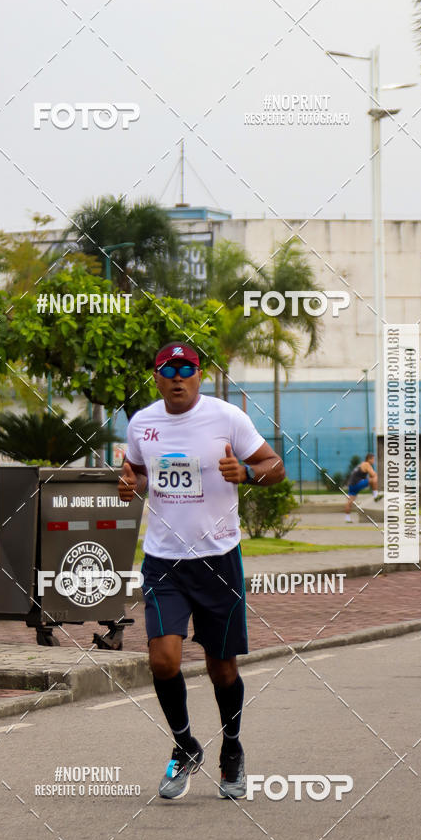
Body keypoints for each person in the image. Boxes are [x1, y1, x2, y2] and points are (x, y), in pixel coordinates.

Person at [118, 341, 284, 800]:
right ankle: (185, 745)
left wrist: (246, 474)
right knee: (162, 659)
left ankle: (231, 747)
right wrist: (131, 486)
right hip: (163, 561)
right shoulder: (142, 424)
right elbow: (137, 474)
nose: (176, 376)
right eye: (167, 369)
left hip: (218, 562)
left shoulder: (227, 418)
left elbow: (275, 466)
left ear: (199, 375)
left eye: (185, 368)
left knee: (221, 669)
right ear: (156, 377)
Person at [344, 453, 382, 522]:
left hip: (351, 485)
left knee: (350, 501)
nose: (374, 461)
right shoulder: (367, 464)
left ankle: (347, 518)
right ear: (369, 459)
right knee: (375, 478)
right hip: (357, 483)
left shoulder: (361, 464)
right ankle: (375, 495)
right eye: (373, 459)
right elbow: (373, 474)